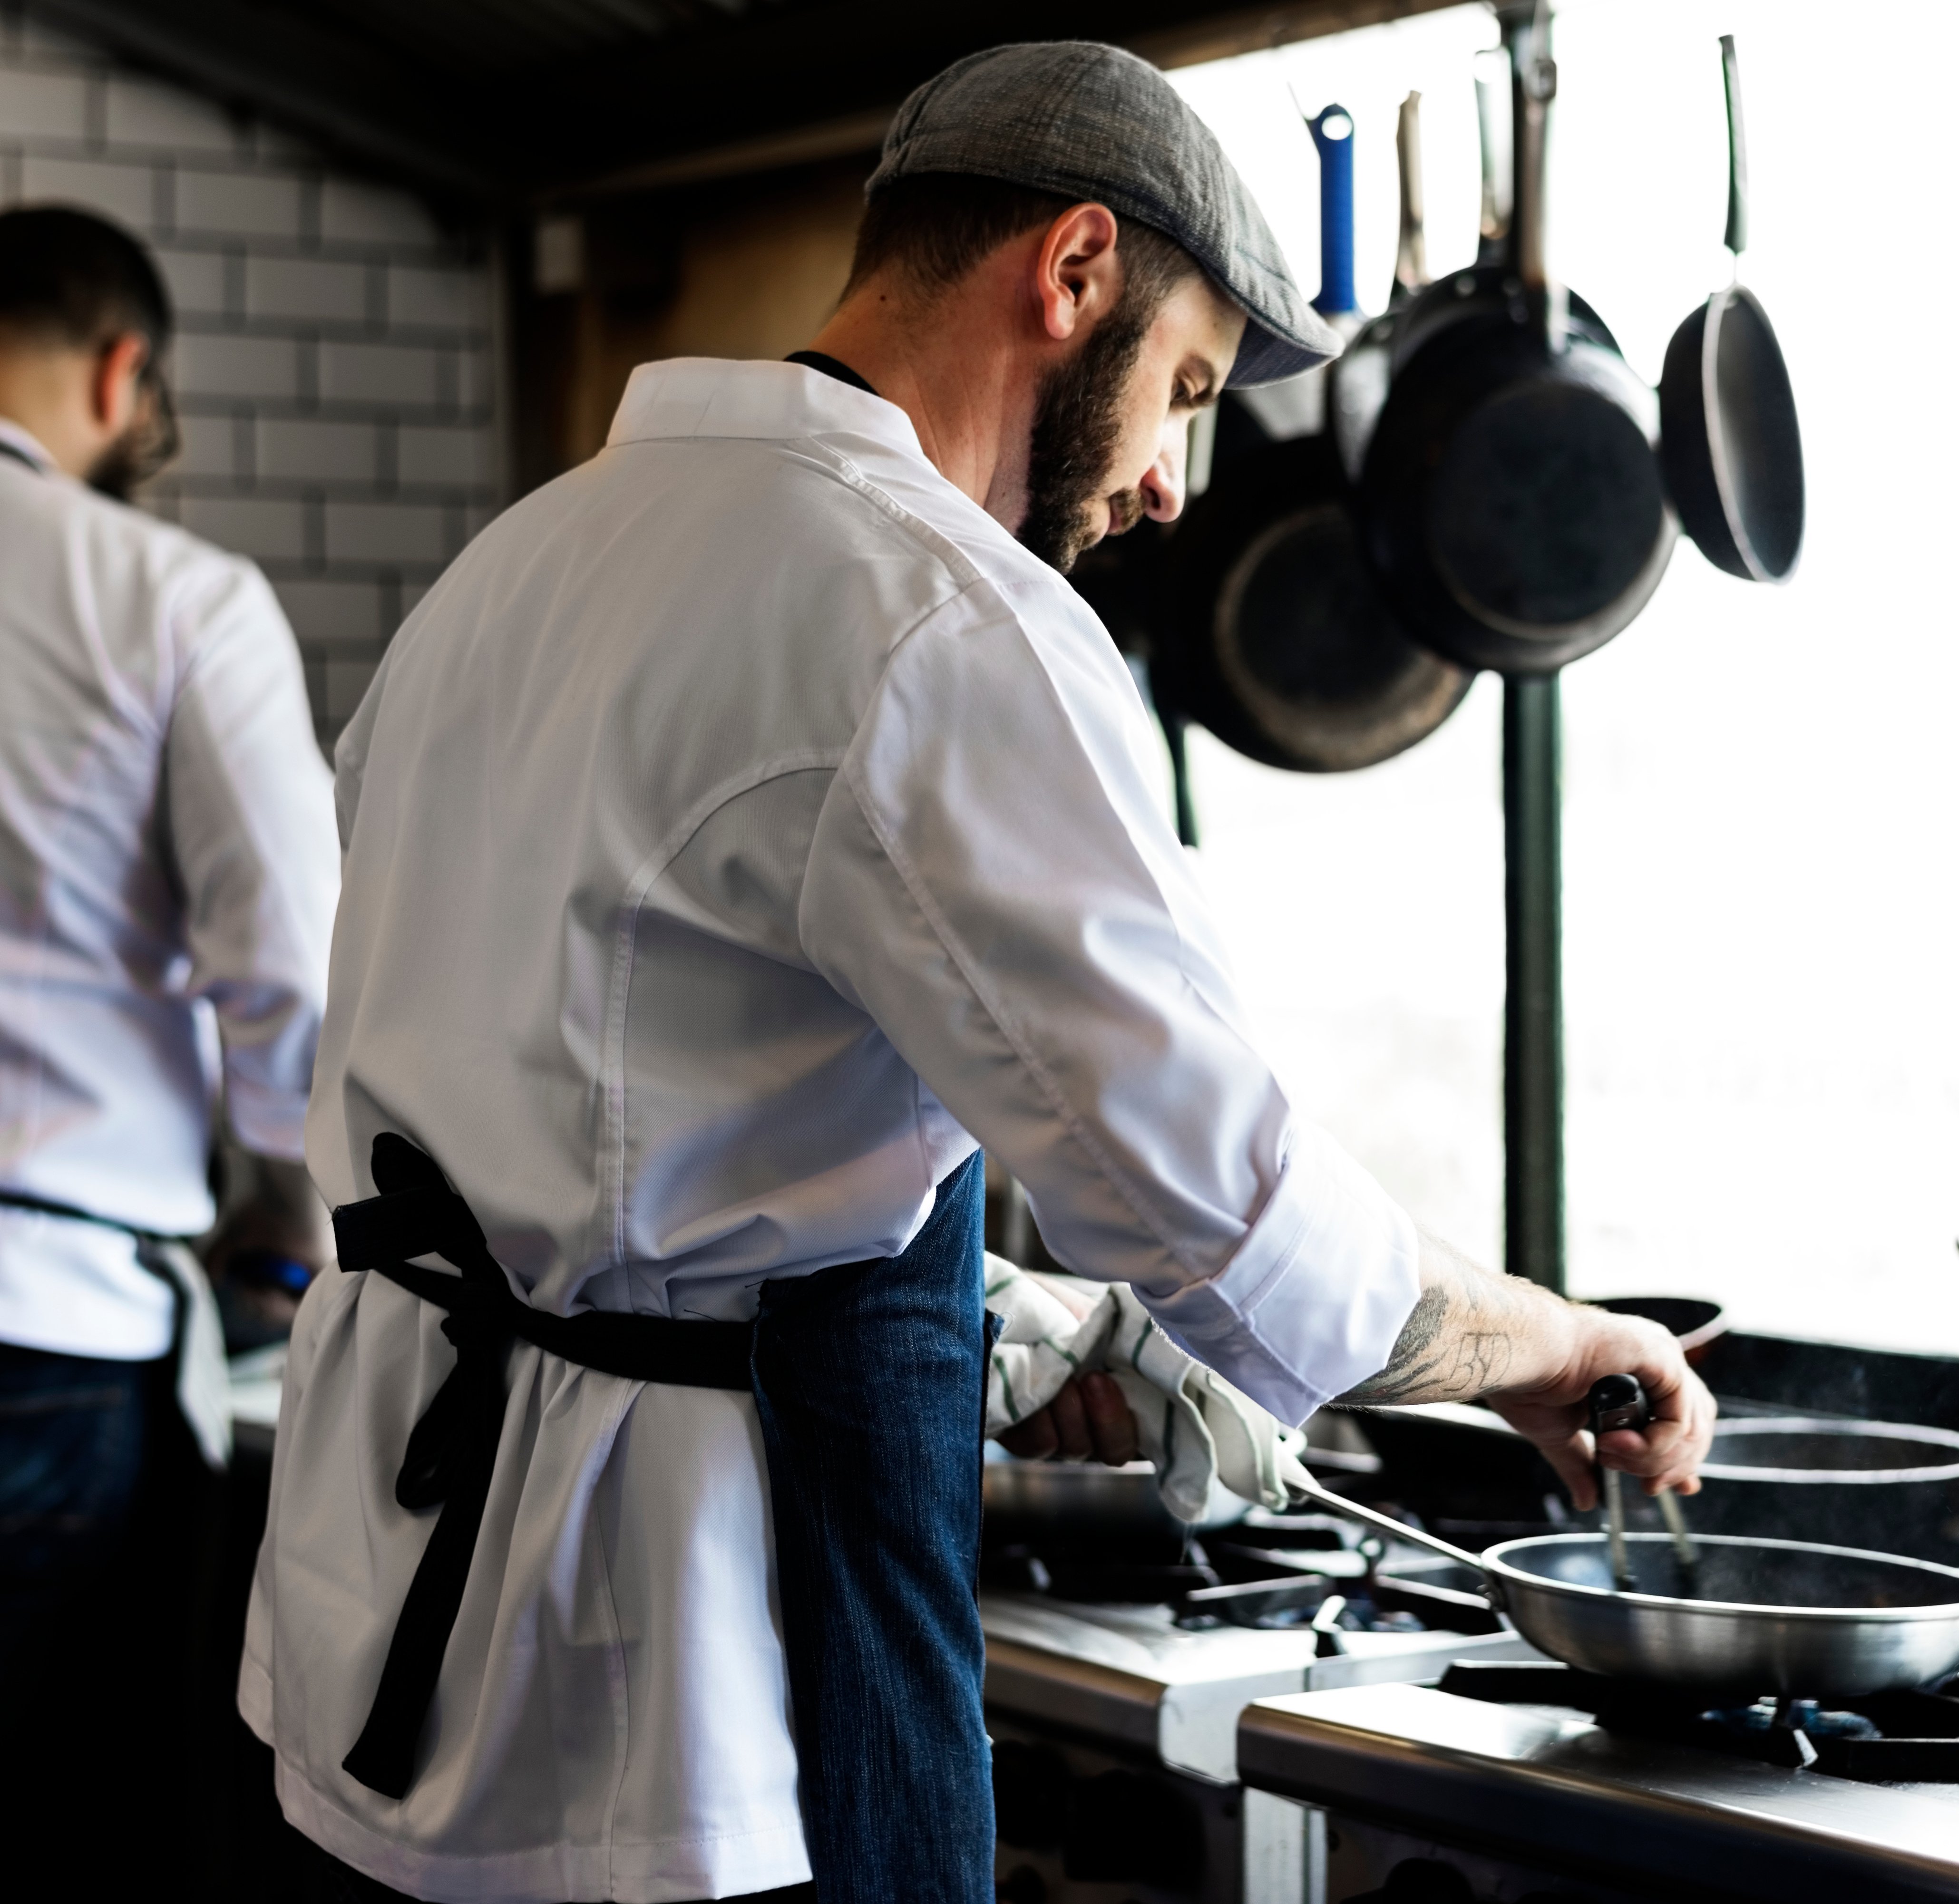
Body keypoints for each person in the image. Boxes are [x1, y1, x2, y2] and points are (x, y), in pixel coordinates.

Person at [246, 41, 1715, 1904]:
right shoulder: (934, 620)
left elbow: (602, 1132)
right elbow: (1248, 1232)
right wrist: (1554, 1344)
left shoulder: (513, 566)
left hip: (378, 1642)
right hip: (678, 1723)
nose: (1173, 483)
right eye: (1181, 389)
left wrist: (992, 1320)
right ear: (1072, 270)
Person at [0, 205, 340, 1881]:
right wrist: (290, 1199)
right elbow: (295, 976)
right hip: (52, 1338)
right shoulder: (167, 595)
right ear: (123, 367)